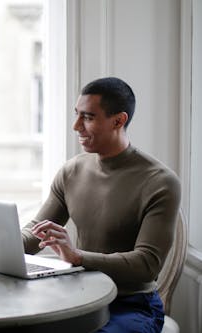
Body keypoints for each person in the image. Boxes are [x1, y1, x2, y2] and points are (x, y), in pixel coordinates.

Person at [22, 77, 180, 333]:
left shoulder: (160, 182)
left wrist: (78, 257)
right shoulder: (72, 170)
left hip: (131, 304)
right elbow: (36, 230)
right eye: (77, 115)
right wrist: (0, 245)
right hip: (80, 296)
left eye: (88, 117)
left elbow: (147, 265)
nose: (76, 126)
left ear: (119, 120)